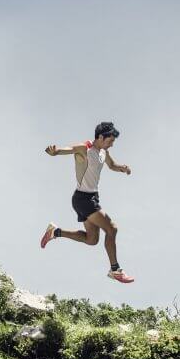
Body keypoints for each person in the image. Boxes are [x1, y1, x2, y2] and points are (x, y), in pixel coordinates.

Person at [40, 121, 135, 283]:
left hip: (90, 198)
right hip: (83, 199)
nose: (111, 145)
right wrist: (54, 152)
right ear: (100, 137)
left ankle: (55, 232)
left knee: (92, 240)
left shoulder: (103, 152)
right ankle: (115, 270)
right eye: (110, 141)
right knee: (112, 229)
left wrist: (123, 168)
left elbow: (111, 165)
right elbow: (66, 150)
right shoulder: (85, 148)